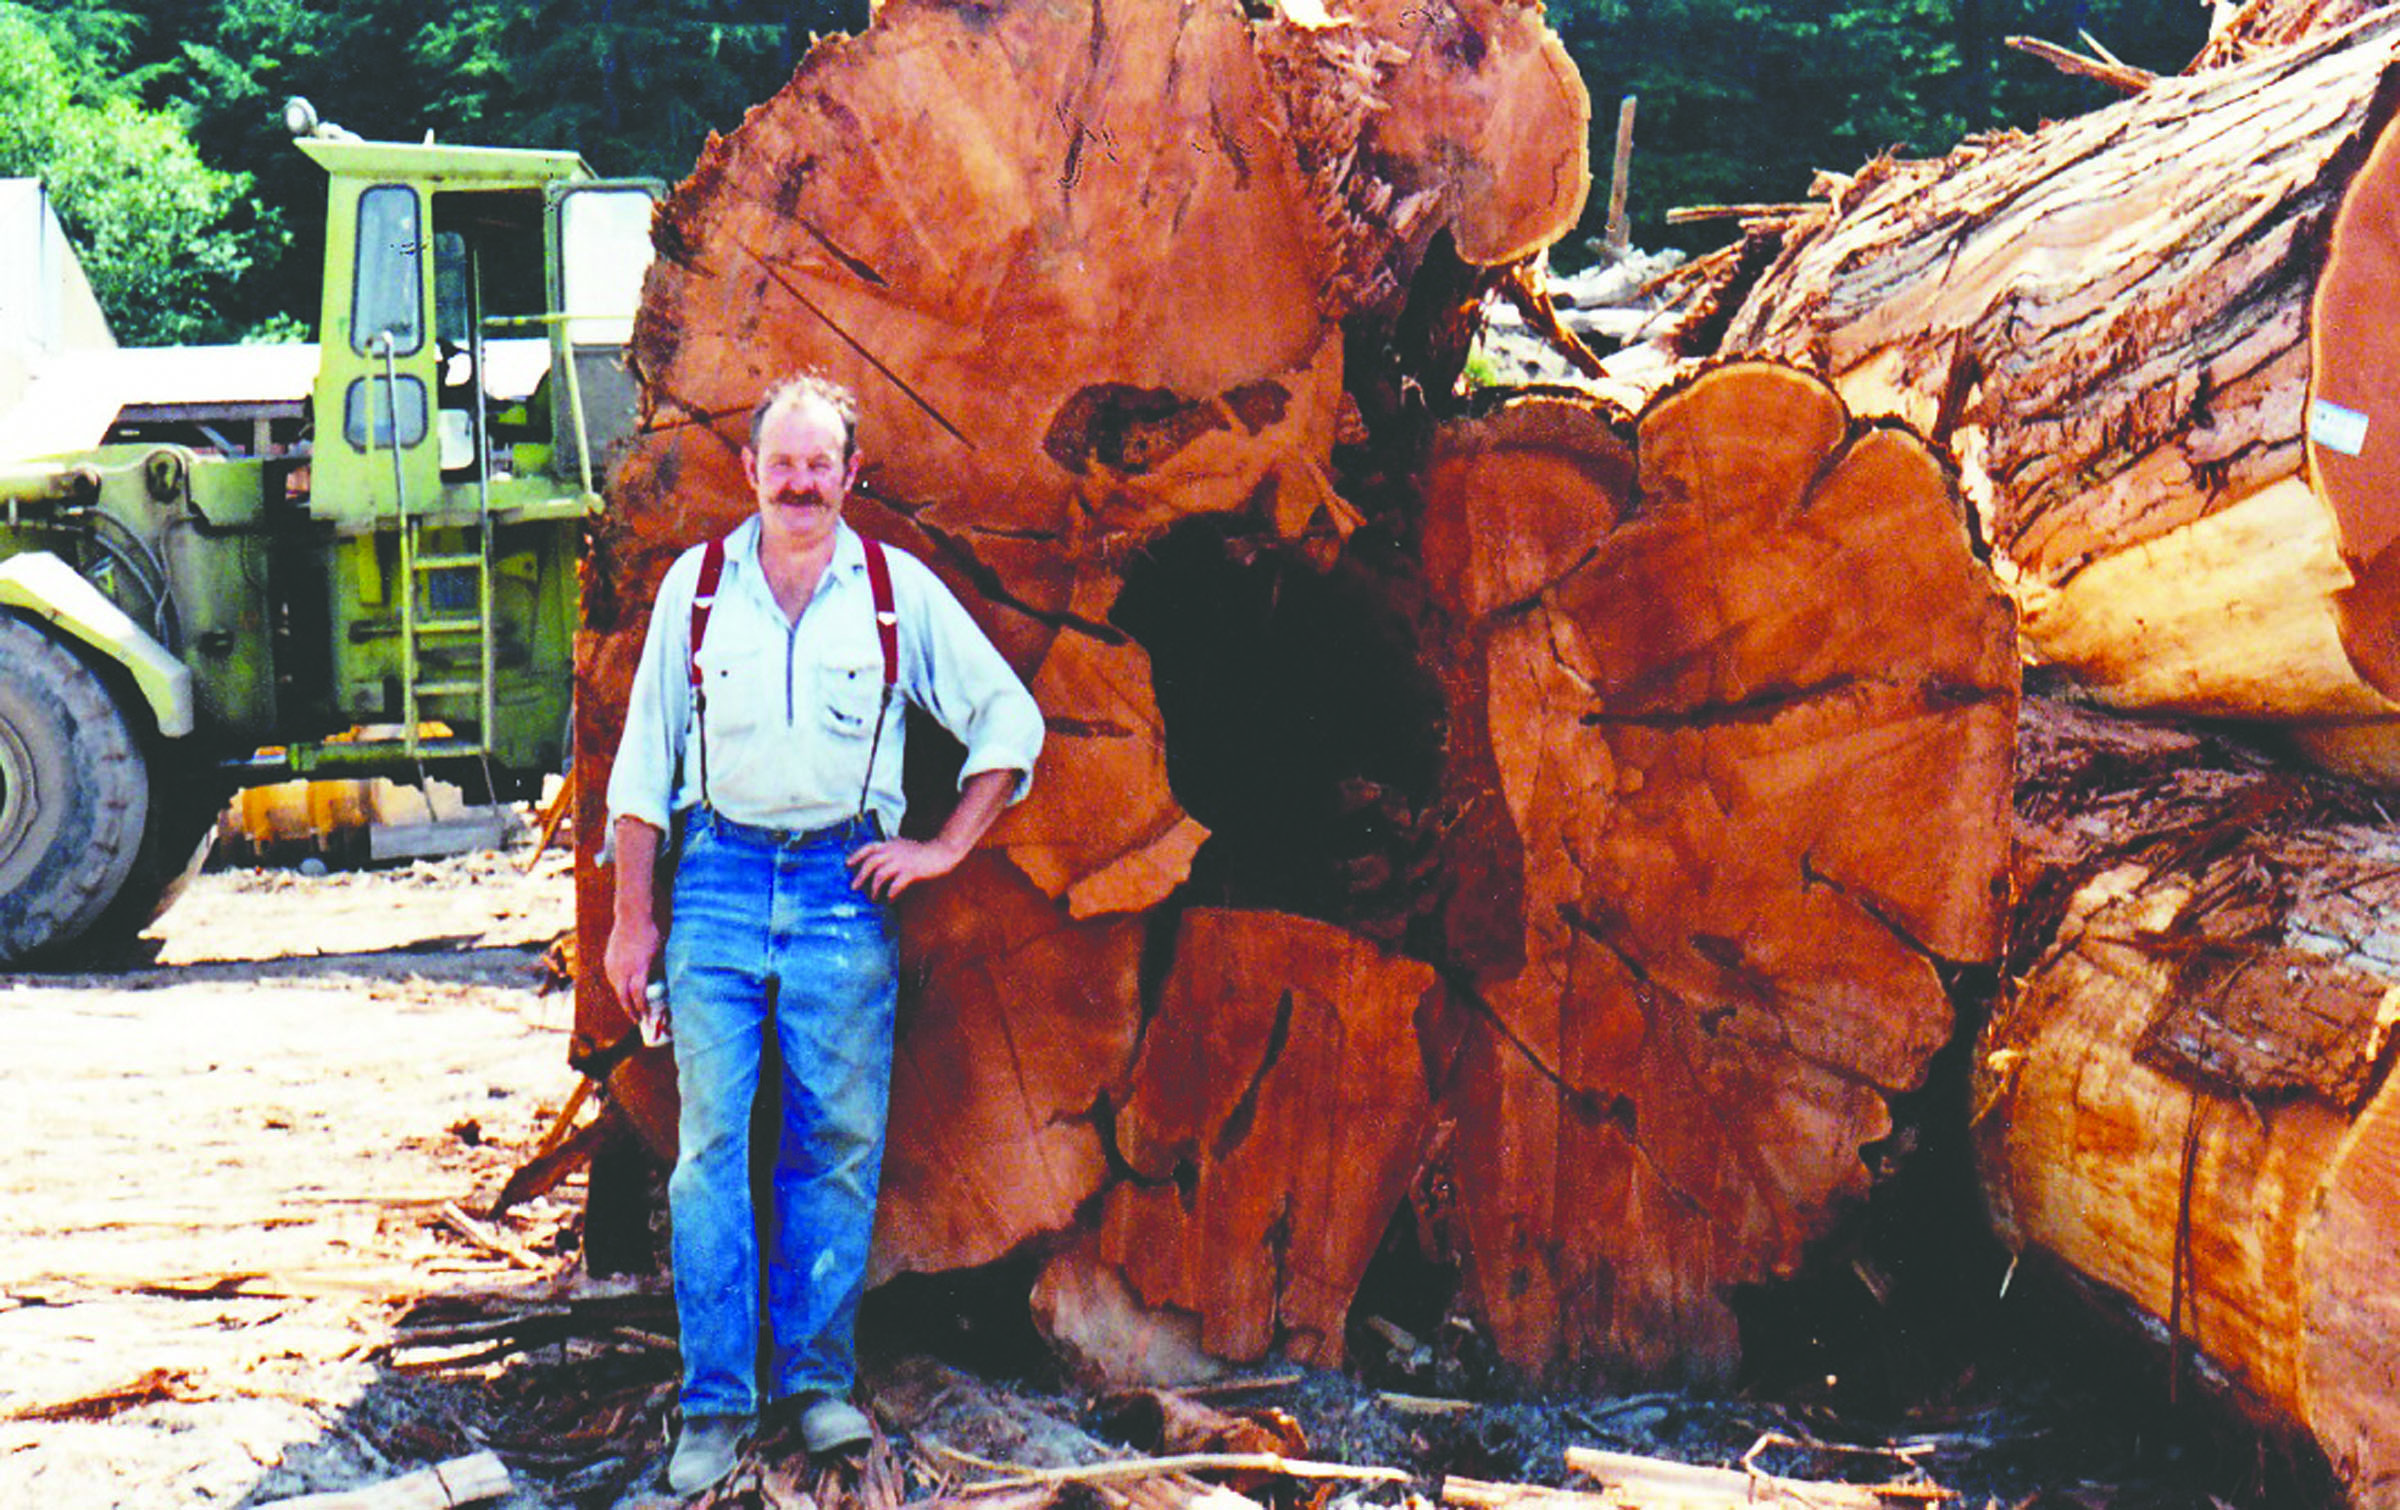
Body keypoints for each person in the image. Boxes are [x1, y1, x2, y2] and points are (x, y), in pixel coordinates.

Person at [603, 373, 1043, 1495]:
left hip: (847, 889)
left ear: (852, 476)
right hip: (717, 881)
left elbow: (1010, 722)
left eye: (821, 465)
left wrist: (941, 847)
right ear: (750, 472)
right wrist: (631, 918)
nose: (800, 483)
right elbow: (643, 771)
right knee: (711, 1154)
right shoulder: (695, 593)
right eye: (781, 463)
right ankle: (712, 1404)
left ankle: (815, 1384)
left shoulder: (894, 594)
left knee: (833, 1144)